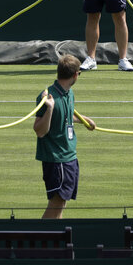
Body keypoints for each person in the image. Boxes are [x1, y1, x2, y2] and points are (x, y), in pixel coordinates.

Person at [34, 54, 96, 219]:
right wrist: (49, 109)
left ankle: (56, 240)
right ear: (75, 74)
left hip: (69, 156)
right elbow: (40, 130)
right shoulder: (48, 96)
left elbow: (66, 117)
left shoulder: (69, 93)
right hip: (56, 159)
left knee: (61, 204)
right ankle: (44, 241)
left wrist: (83, 120)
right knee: (56, 204)